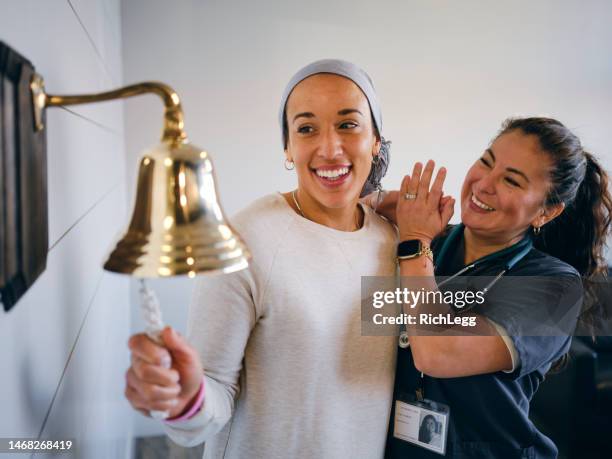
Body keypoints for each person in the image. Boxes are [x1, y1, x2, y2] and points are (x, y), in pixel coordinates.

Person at [124, 59, 399, 458]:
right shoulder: (246, 240)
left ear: (375, 139)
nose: (329, 147)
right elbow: (212, 396)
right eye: (306, 128)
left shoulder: (390, 240)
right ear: (288, 147)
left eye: (348, 124)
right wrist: (184, 399)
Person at [384, 117, 611, 458]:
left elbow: (436, 352)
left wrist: (414, 240)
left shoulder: (556, 287)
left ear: (546, 212)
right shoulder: (436, 243)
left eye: (511, 181)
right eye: (487, 162)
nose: (484, 184)